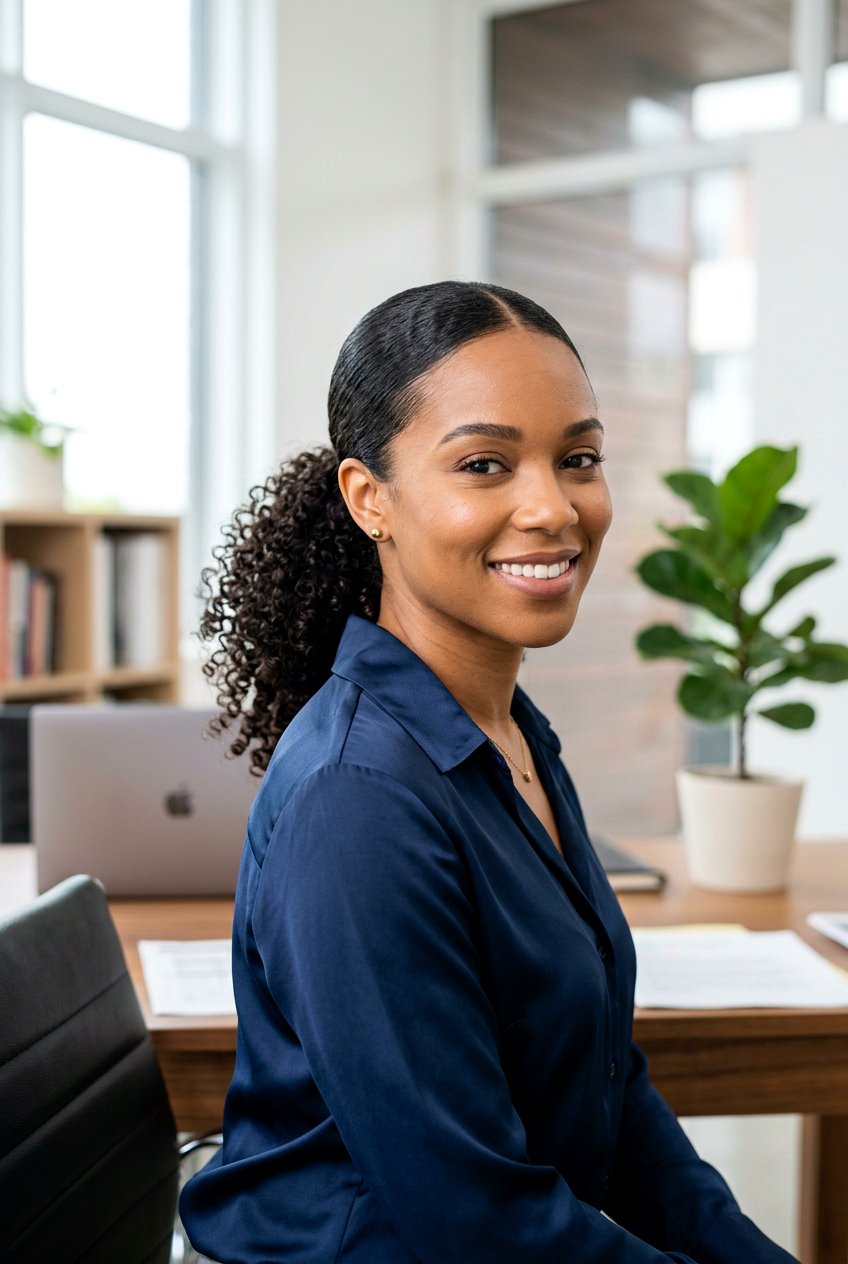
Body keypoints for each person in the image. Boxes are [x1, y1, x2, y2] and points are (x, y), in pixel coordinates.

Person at [180, 281, 797, 1264]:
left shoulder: (511, 735)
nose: (551, 507)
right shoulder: (359, 800)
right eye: (484, 464)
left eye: (577, 459)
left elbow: (610, 1084)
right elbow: (475, 1221)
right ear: (366, 497)